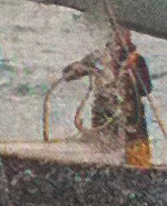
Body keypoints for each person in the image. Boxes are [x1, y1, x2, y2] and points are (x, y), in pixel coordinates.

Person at [63, 28, 153, 166]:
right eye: (120, 32)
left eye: (127, 32)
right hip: (103, 124)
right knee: (103, 160)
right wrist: (78, 68)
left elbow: (146, 89)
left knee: (138, 162)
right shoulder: (98, 58)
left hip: (133, 127)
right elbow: (67, 75)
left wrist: (132, 72)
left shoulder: (137, 60)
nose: (124, 36)